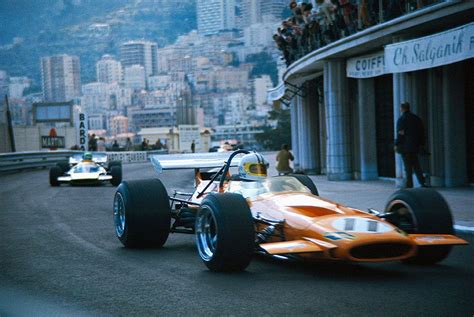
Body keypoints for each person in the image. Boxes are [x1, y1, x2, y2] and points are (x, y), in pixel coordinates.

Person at [394, 102, 428, 188]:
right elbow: (422, 132)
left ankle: (409, 184)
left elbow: (400, 133)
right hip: (415, 146)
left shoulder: (402, 119)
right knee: (416, 165)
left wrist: (396, 143)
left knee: (408, 166)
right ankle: (422, 182)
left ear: (402, 108)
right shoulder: (416, 118)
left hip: (405, 146)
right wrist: (421, 144)